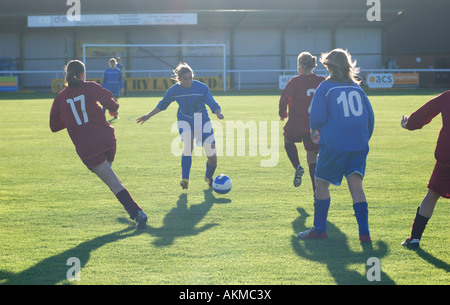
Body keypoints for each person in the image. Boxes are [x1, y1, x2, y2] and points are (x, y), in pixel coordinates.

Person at [50, 60, 147, 229]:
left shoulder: (61, 97)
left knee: (113, 183)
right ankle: (132, 210)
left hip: (88, 147)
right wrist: (112, 109)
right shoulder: (90, 87)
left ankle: (138, 213)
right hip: (107, 139)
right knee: (112, 180)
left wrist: (72, 119)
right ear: (82, 74)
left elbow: (54, 126)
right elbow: (112, 105)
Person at [297, 49, 375, 243]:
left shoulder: (325, 87)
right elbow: (370, 118)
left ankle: (319, 229)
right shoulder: (357, 88)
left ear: (329, 66)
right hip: (358, 144)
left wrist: (314, 131)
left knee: (321, 184)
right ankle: (364, 233)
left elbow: (316, 117)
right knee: (356, 186)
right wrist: (363, 140)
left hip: (334, 144)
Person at [137, 62, 224, 190]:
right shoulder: (174, 90)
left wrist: (218, 113)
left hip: (202, 121)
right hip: (185, 120)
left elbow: (212, 103)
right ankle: (185, 179)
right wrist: (148, 115)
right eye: (185, 79)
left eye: (190, 77)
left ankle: (208, 177)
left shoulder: (202, 88)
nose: (189, 81)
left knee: (212, 157)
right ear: (179, 79)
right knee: (188, 145)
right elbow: (163, 105)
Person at [400, 91, 450, 249]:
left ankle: (414, 239)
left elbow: (425, 113)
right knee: (432, 195)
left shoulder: (447, 96)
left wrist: (408, 123)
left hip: (446, 156)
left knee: (432, 194)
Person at [279, 52, 325, 191]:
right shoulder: (322, 81)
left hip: (297, 123)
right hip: (315, 126)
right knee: (312, 156)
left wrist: (283, 113)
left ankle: (297, 166)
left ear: (301, 67)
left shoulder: (295, 81)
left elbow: (283, 98)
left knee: (288, 141)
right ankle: (316, 191)